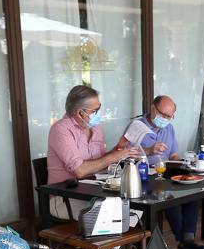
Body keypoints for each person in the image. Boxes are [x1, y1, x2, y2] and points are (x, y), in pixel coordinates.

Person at [46, 84, 142, 219]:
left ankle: (132, 240)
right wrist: (115, 156)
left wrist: (118, 149)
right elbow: (80, 170)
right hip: (65, 198)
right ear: (80, 112)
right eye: (95, 110)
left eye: (99, 108)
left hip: (96, 191)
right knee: (120, 212)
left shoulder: (95, 128)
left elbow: (100, 161)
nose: (98, 113)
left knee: (138, 207)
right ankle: (116, 239)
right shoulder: (60, 130)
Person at [131, 95, 204, 249]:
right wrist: (149, 150)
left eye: (169, 116)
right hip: (142, 176)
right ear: (152, 108)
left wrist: (181, 164)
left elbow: (173, 155)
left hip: (164, 173)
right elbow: (125, 155)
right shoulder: (136, 127)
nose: (165, 119)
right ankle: (183, 241)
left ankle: (188, 237)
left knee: (192, 191)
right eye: (163, 114)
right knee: (169, 195)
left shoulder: (169, 128)